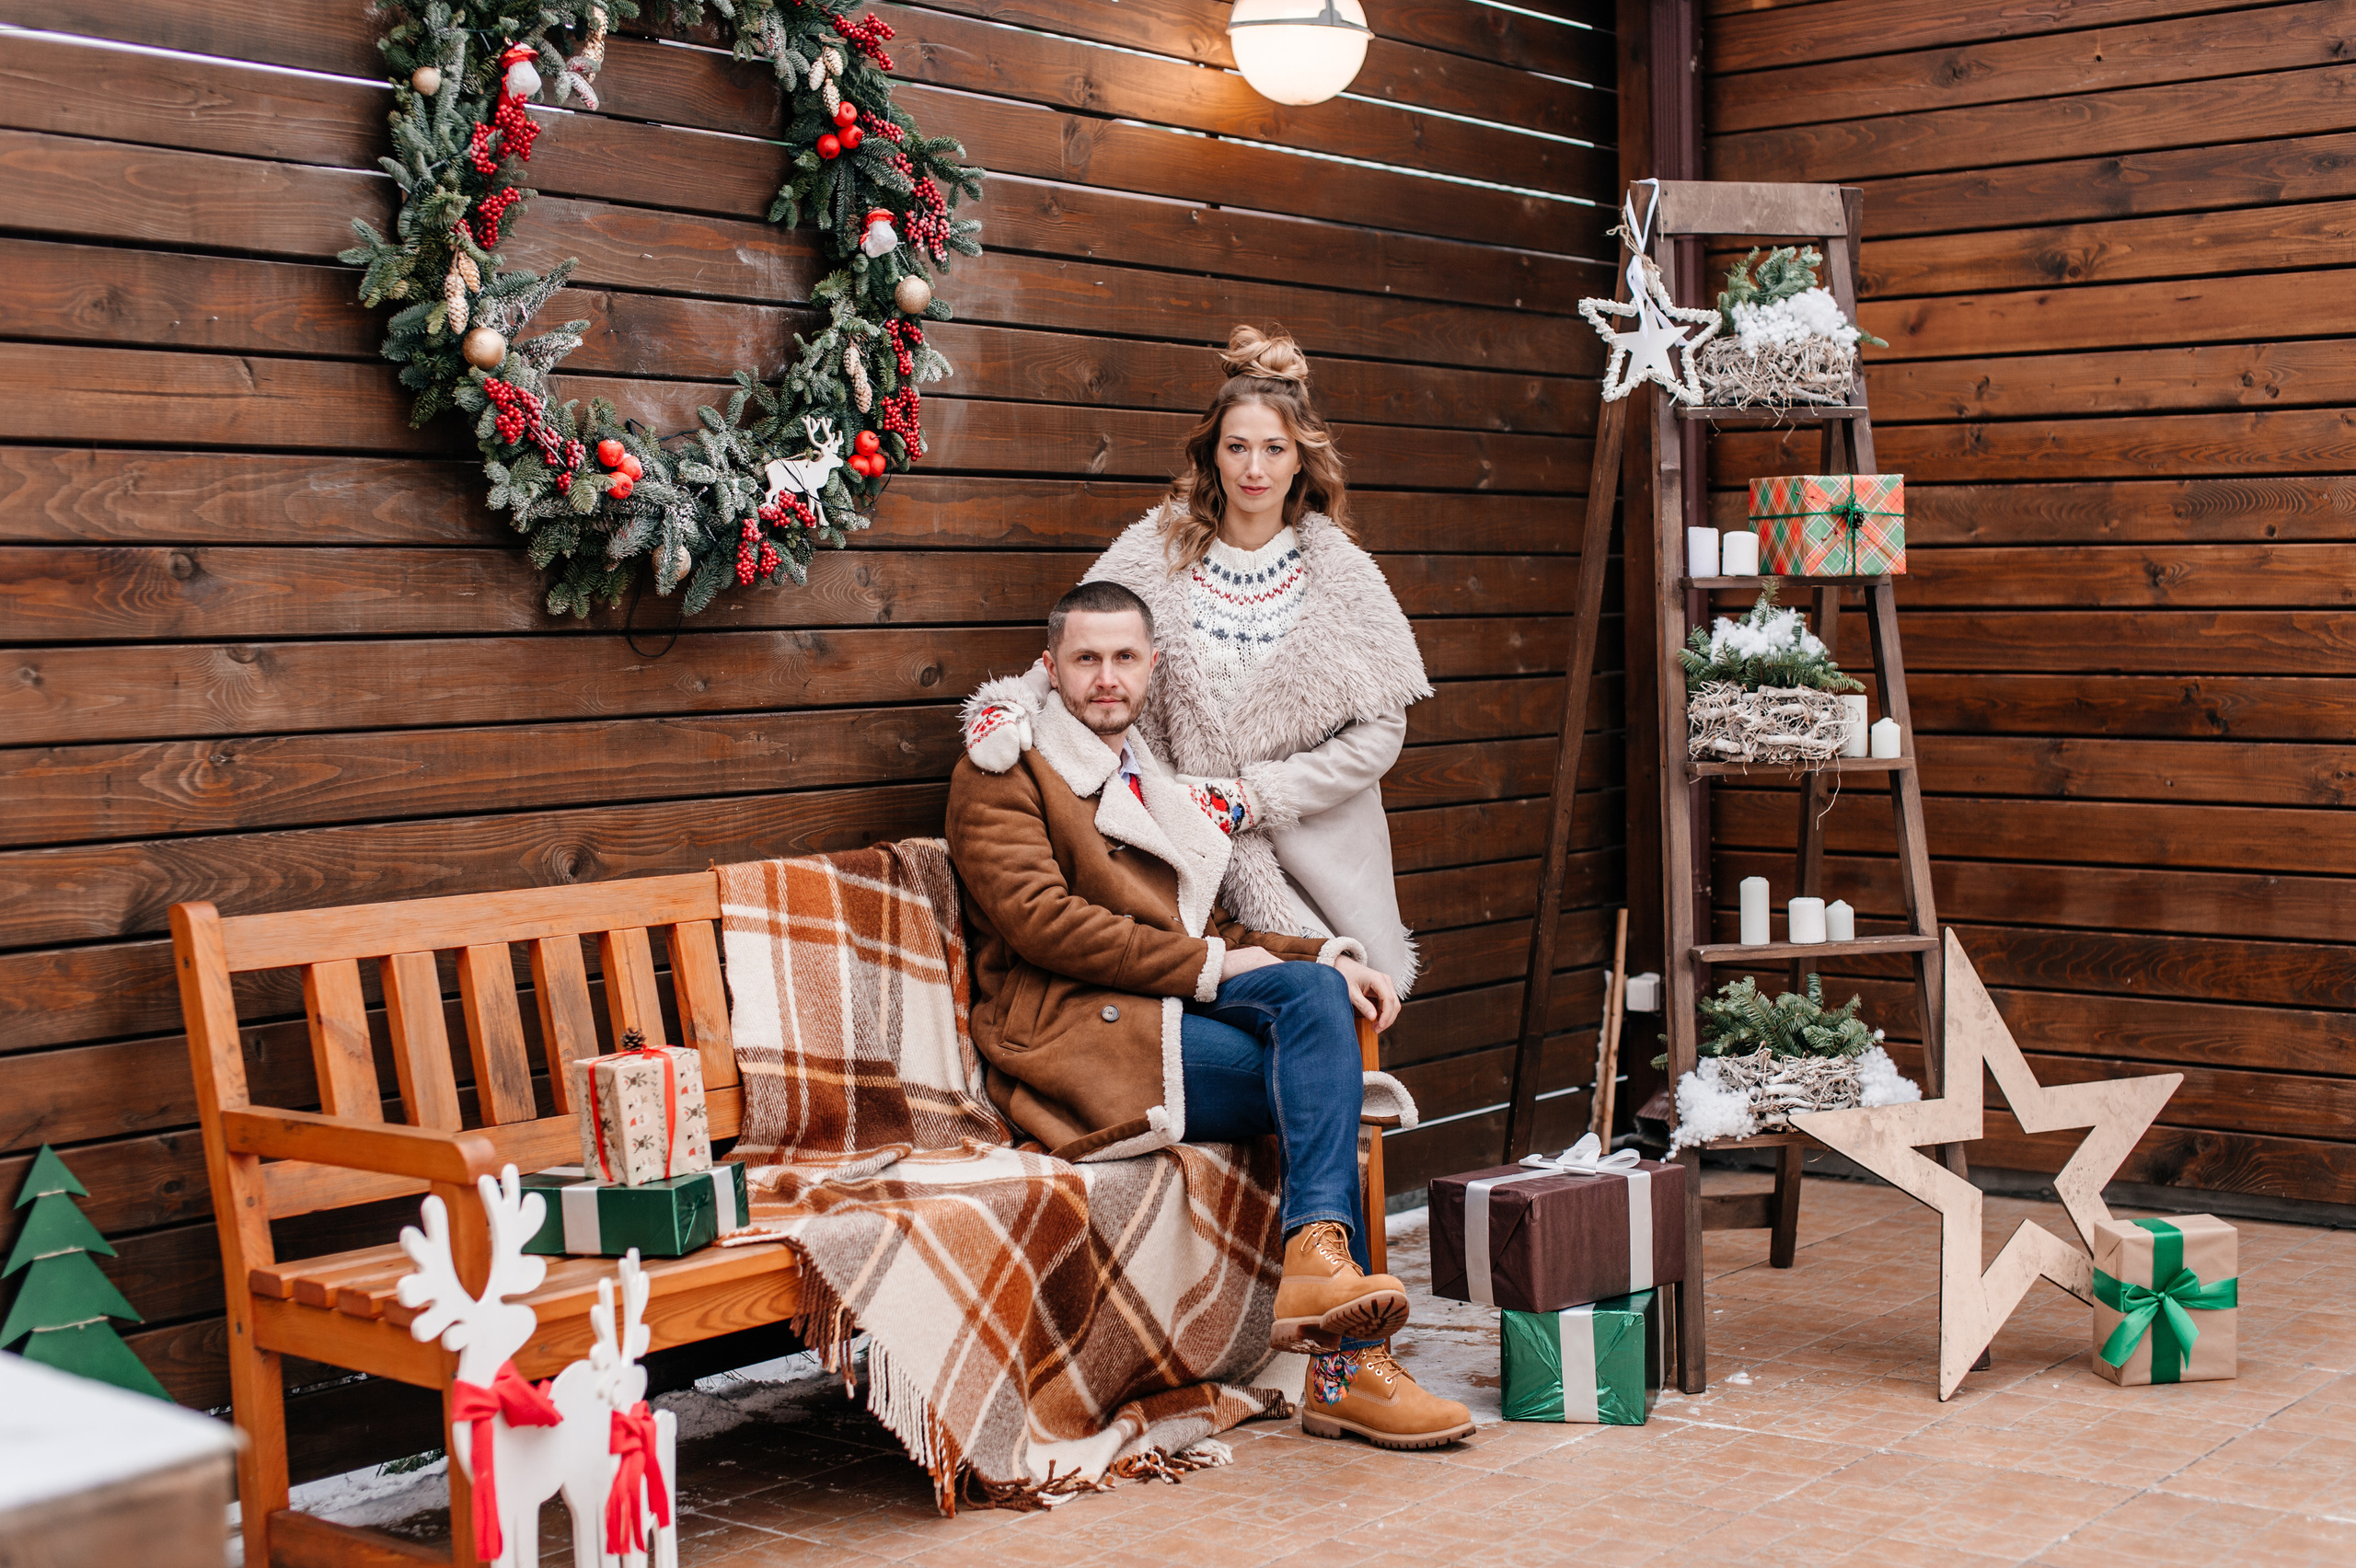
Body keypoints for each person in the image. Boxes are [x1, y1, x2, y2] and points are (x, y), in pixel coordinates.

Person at [947, 580, 1473, 1450]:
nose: (1106, 678)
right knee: (1322, 1094)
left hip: (1156, 1005)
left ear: (1152, 668)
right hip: (1075, 1035)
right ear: (1051, 668)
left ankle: (1318, 1267)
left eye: (1124, 658)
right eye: (1086, 659)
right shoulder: (1005, 771)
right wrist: (1213, 963)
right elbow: (1043, 923)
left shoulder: (1142, 774)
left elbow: (1200, 924)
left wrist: (1326, 960)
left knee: (1316, 1003)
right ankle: (1350, 1372)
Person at [961, 325, 1429, 996]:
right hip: (1177, 839)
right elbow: (1085, 643)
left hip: (1309, 850)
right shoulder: (1155, 548)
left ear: (1302, 458)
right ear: (1213, 453)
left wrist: (1256, 797)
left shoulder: (1344, 576)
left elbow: (1383, 731)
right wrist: (1009, 703)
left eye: (1275, 449)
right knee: (1212, 1005)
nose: (1255, 470)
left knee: (1331, 998)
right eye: (1237, 448)